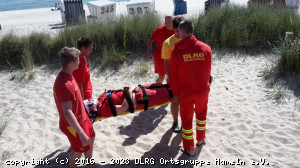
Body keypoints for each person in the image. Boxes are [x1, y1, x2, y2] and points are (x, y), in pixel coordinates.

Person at [170, 20, 212, 156]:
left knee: (187, 121)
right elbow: (207, 71)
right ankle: (200, 140)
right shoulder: (206, 48)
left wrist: (175, 95)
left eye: (178, 31)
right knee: (201, 116)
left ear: (183, 32)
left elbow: (174, 78)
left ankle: (190, 148)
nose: (177, 34)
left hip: (186, 92)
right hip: (202, 91)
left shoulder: (177, 52)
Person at [53, 47, 95, 168]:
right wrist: (81, 133)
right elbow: (67, 112)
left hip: (82, 117)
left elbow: (75, 97)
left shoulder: (68, 74)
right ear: (71, 63)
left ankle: (89, 165)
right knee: (78, 151)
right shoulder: (64, 84)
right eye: (78, 60)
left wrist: (84, 104)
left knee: (92, 136)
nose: (79, 62)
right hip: (72, 124)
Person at [85, 83, 172, 122]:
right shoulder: (103, 110)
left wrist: (132, 88)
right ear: (91, 109)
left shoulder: (100, 99)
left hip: (139, 90)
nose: (89, 100)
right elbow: (124, 107)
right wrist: (130, 90)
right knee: (170, 94)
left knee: (166, 86)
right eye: (88, 103)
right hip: (140, 99)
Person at [161, 16, 184, 133]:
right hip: (173, 78)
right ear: (174, 29)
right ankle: (175, 122)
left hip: (187, 78)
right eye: (177, 31)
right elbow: (166, 62)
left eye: (181, 30)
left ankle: (185, 122)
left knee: (186, 102)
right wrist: (171, 79)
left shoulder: (188, 39)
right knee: (175, 101)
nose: (179, 33)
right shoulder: (168, 43)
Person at [147, 16, 174, 84]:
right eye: (165, 22)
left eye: (169, 22)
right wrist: (149, 53)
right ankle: (157, 88)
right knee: (161, 77)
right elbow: (150, 41)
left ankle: (169, 91)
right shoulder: (159, 30)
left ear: (173, 22)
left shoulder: (177, 31)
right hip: (160, 57)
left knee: (171, 77)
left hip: (172, 58)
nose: (167, 24)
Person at [73, 37, 93, 101]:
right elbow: (80, 86)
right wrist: (83, 104)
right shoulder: (79, 65)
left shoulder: (83, 58)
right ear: (83, 49)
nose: (91, 51)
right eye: (90, 48)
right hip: (85, 98)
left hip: (88, 95)